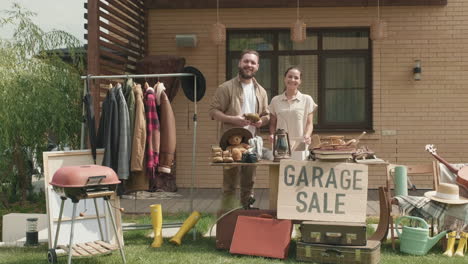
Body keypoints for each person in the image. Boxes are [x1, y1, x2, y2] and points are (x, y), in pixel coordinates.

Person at [209, 49, 270, 211]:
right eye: (246, 61)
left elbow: (267, 115)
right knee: (229, 183)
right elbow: (213, 112)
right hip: (231, 142)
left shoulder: (261, 91)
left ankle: (246, 212)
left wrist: (261, 121)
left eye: (252, 62)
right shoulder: (226, 88)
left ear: (257, 67)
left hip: (251, 143)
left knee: (249, 182)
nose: (249, 65)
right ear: (239, 63)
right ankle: (227, 215)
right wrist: (233, 120)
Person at [269, 66, 317, 149]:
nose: (292, 80)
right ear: (285, 78)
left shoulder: (307, 99)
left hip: (300, 145)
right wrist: (272, 135)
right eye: (290, 76)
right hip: (280, 146)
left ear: (300, 81)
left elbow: (309, 123)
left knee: (298, 162)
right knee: (281, 162)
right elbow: (272, 124)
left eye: (296, 78)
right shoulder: (275, 100)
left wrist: (307, 135)